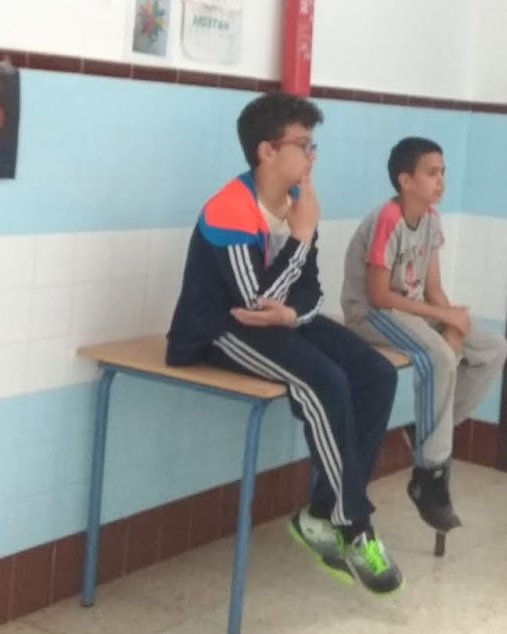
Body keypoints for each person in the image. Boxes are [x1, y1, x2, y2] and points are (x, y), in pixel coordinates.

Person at [166, 93, 402, 594]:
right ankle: (353, 524)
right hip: (220, 331)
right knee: (324, 381)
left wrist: (296, 312)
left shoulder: (298, 203)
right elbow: (252, 302)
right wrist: (300, 236)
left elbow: (308, 289)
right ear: (266, 151)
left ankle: (321, 513)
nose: (312, 155)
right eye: (303, 144)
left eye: (313, 145)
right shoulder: (229, 208)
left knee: (376, 374)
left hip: (279, 321)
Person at [341, 137, 507, 532]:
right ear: (405, 180)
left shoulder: (432, 218)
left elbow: (433, 288)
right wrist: (443, 319)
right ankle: (430, 476)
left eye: (443, 172)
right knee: (440, 357)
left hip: (412, 312)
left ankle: (425, 431)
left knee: (494, 348)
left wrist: (451, 323)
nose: (441, 181)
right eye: (432, 173)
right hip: (372, 314)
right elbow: (380, 296)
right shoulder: (388, 218)